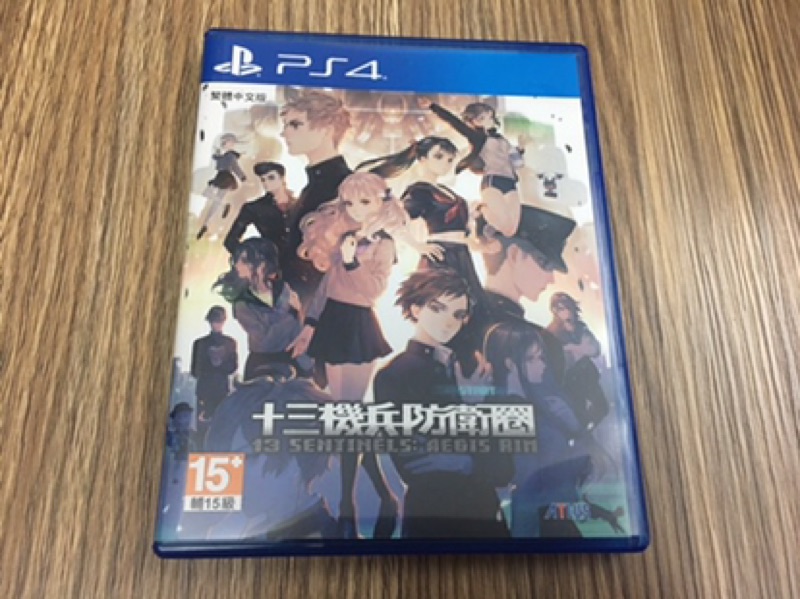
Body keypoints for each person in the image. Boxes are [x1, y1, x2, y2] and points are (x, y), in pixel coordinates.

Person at [288, 172, 402, 539]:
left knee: (348, 416)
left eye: (364, 202)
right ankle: (383, 496)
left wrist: (353, 261)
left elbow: (373, 290)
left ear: (381, 203)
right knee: (345, 417)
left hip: (357, 325)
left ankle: (348, 506)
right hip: (333, 322)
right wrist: (309, 326)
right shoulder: (347, 237)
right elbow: (327, 285)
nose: (355, 209)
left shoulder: (384, 243)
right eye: (350, 202)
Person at [374, 268, 512, 539]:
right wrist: (470, 414)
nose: (448, 322)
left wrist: (463, 458)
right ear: (415, 309)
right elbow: (414, 466)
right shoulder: (394, 376)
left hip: (486, 518)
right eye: (437, 309)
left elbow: (504, 468)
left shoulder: (473, 369)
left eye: (458, 314)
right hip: (432, 520)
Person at [484, 321, 595, 537]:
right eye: (531, 359)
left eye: (541, 357)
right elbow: (524, 476)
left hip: (553, 511)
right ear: (509, 364)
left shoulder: (541, 403)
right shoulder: (510, 409)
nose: (541, 365)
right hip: (539, 515)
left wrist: (572, 426)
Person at [203, 373, 339, 540]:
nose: (230, 476)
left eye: (247, 458)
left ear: (294, 457)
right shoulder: (254, 537)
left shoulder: (330, 546)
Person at [481, 205, 577, 385]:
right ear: (515, 254)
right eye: (545, 263)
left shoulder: (458, 323)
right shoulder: (542, 343)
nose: (551, 279)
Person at [279, 91, 353, 302]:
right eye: (285, 125)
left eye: (295, 125)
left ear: (326, 129)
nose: (284, 133)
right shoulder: (313, 187)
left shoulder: (346, 188)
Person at [421, 98, 528, 237]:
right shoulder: (478, 138)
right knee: (506, 227)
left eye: (485, 117)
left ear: (491, 114)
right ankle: (480, 208)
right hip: (493, 181)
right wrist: (433, 106)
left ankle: (491, 223)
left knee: (511, 230)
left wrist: (520, 150)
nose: (485, 120)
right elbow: (455, 123)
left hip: (510, 182)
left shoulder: (502, 139)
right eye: (479, 119)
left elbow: (517, 163)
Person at [213, 238, 310, 381]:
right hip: (262, 367)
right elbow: (265, 342)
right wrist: (288, 314)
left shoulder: (283, 289)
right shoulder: (242, 303)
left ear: (262, 264)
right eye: (238, 260)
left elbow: (299, 328)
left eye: (244, 260)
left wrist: (306, 362)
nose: (237, 265)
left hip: (295, 363)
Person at [223, 161, 295, 260]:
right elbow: (230, 241)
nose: (266, 182)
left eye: (271, 177)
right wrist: (253, 260)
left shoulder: (299, 203)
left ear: (282, 178)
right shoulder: (254, 208)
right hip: (274, 263)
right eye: (263, 179)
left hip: (304, 264)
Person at [190, 306, 238, 428]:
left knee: (221, 427)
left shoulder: (230, 343)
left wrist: (216, 366)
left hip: (221, 391)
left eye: (218, 321)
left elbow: (233, 367)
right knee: (204, 427)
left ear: (224, 321)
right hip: (205, 391)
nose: (216, 324)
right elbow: (195, 370)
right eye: (214, 320)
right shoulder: (200, 344)